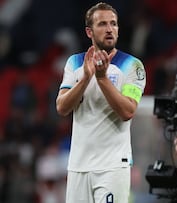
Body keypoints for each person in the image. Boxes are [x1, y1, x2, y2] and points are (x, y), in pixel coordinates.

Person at [56, 2, 146, 203]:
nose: (109, 29)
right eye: (102, 24)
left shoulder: (132, 66)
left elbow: (128, 111)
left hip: (112, 166)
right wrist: (86, 78)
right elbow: (62, 107)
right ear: (89, 32)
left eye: (113, 24)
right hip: (78, 166)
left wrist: (102, 78)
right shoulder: (75, 63)